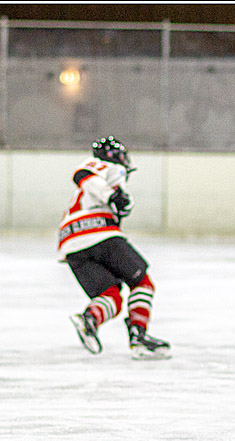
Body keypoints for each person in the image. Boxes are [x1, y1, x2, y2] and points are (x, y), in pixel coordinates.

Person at [58, 136, 171, 359]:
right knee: (143, 283)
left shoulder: (103, 183)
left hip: (70, 244)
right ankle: (138, 336)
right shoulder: (107, 167)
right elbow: (82, 174)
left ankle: (89, 319)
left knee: (110, 296)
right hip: (98, 232)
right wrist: (112, 196)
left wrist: (117, 200)